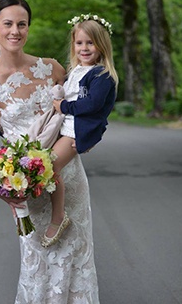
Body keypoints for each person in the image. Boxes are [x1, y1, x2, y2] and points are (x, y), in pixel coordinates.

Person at [0, 0, 99, 303]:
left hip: (70, 178)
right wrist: (6, 190)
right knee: (39, 264)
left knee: (78, 257)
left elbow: (78, 114)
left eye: (22, 24)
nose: (15, 31)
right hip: (28, 188)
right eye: (8, 24)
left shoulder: (53, 69)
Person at [41, 14, 119, 248]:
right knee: (39, 159)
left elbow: (94, 107)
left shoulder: (101, 75)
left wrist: (63, 106)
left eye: (90, 43)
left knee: (50, 165)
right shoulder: (74, 70)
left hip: (74, 132)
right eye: (79, 43)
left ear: (101, 45)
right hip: (62, 127)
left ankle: (58, 217)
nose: (84, 48)